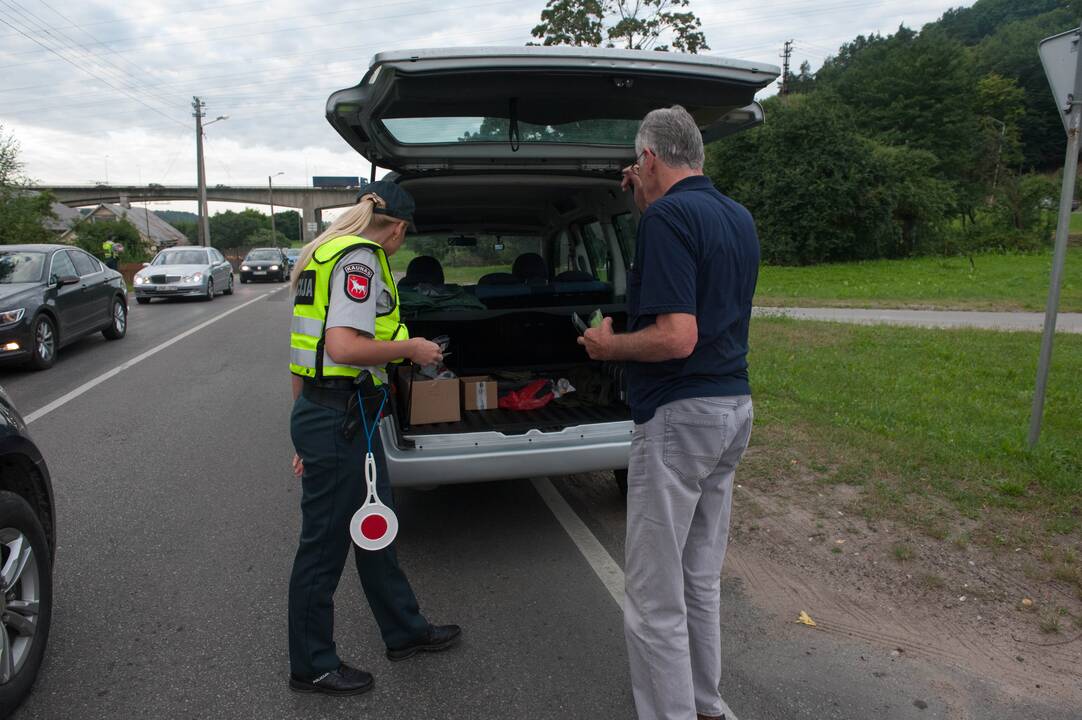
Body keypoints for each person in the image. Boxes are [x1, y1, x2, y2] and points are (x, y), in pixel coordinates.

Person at [578, 106, 758, 720]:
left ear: (649, 159)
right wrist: (643, 206)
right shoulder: (736, 216)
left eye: (638, 164)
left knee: (654, 593)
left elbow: (677, 336)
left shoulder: (667, 221)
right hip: (734, 407)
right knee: (697, 577)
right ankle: (705, 703)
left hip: (680, 415)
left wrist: (608, 347)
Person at [286, 181, 461, 696]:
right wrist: (412, 349)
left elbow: (302, 352)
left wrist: (300, 426)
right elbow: (341, 347)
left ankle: (404, 631)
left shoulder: (323, 256)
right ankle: (312, 663)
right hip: (337, 419)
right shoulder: (358, 261)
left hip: (332, 415)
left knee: (376, 524)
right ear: (398, 229)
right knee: (323, 548)